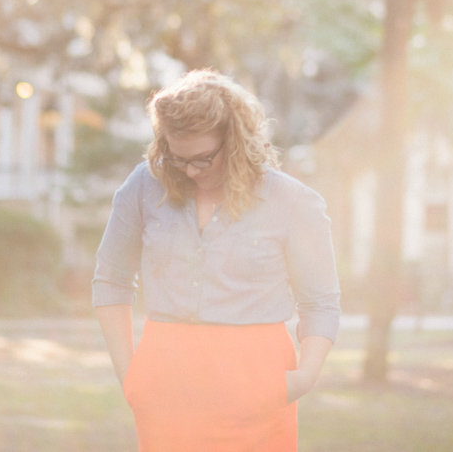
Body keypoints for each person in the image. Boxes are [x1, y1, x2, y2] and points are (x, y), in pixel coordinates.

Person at [93, 70, 341, 452]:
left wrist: (303, 378)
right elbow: (111, 280)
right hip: (166, 382)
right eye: (178, 159)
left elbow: (320, 302)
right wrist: (130, 376)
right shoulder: (144, 185)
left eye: (203, 159)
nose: (191, 171)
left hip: (257, 380)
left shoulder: (293, 202)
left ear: (236, 140)